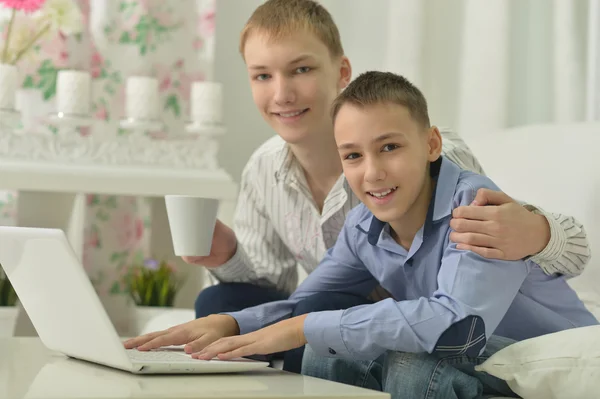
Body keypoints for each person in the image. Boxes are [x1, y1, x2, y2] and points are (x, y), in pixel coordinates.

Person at [131, 0, 591, 373]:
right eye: (263, 75)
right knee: (233, 310)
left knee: (403, 361)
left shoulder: (458, 186)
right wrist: (230, 320)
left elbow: (458, 320)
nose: (282, 93)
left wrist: (538, 231)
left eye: (301, 70)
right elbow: (296, 296)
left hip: (477, 333)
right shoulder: (351, 217)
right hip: (370, 316)